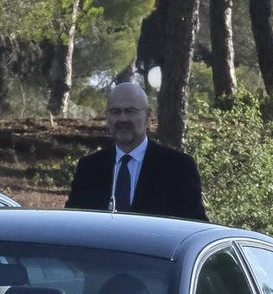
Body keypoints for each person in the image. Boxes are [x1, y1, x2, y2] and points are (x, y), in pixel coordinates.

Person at [66, 82, 208, 221]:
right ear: (107, 117)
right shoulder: (89, 168)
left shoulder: (177, 166)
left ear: (147, 116)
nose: (122, 119)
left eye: (130, 111)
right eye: (115, 112)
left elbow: (195, 226)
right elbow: (72, 223)